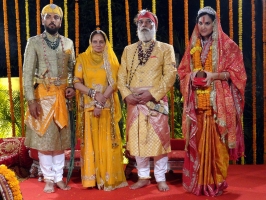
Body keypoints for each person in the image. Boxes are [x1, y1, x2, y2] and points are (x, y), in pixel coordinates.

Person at [177, 6, 247, 196]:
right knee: (198, 146)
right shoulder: (193, 46)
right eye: (200, 23)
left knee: (217, 147)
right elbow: (182, 72)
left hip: (218, 108)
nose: (203, 27)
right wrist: (192, 76)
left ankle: (216, 183)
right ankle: (200, 184)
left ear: (215, 24)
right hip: (198, 106)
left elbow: (238, 75)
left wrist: (214, 75)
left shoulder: (228, 46)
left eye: (207, 23)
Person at [117, 9, 177, 192]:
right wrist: (127, 95)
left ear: (155, 26)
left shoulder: (166, 49)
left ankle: (160, 178)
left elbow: (170, 75)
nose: (144, 25)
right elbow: (121, 76)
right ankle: (143, 176)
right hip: (135, 102)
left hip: (155, 102)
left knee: (159, 139)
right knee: (137, 140)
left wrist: (152, 94)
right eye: (141, 23)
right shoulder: (129, 50)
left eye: (148, 22)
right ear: (137, 27)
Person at [23, 4, 75, 193]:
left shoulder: (68, 43)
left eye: (56, 17)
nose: (52, 20)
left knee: (60, 141)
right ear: (43, 20)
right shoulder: (34, 42)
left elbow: (72, 70)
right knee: (46, 141)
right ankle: (48, 179)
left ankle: (59, 177)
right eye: (49, 17)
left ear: (61, 22)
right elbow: (27, 73)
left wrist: (71, 87)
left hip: (62, 97)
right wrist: (31, 100)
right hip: (42, 97)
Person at [73, 30, 128, 191]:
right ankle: (92, 179)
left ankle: (107, 178)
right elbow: (76, 82)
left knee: (107, 143)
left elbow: (114, 83)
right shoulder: (82, 58)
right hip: (88, 108)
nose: (98, 45)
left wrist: (100, 103)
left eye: (101, 42)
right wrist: (92, 93)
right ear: (90, 42)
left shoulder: (110, 60)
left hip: (105, 108)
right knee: (90, 143)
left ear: (106, 43)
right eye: (95, 41)